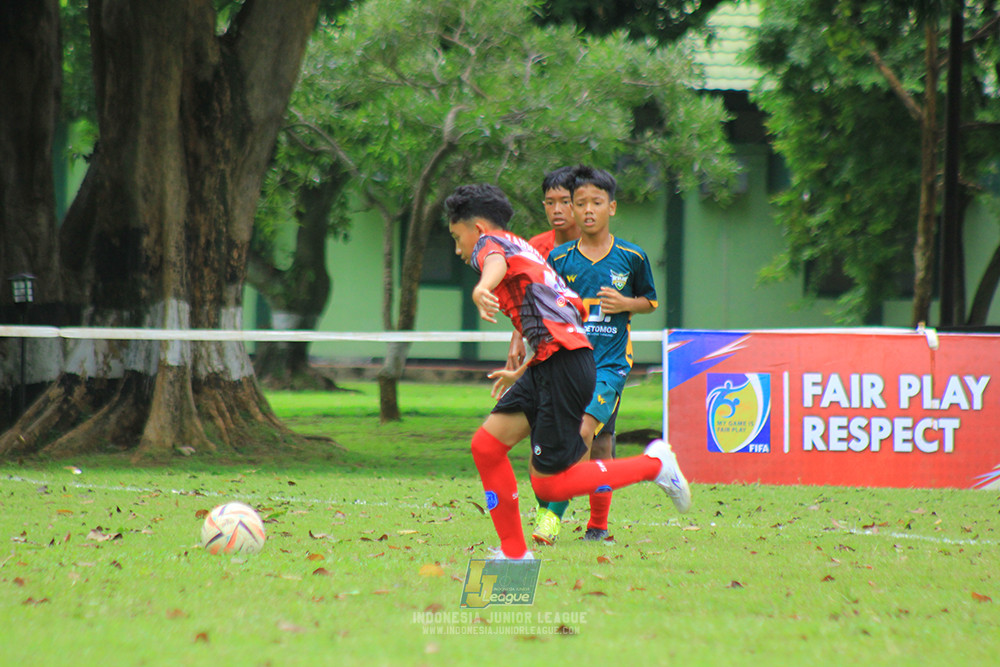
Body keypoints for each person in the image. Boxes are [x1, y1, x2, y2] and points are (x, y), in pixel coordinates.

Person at [445, 182, 691, 560]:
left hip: (564, 366)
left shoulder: (489, 245)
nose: (459, 249)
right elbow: (566, 313)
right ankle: (514, 553)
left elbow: (491, 262)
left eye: (456, 237)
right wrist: (526, 369)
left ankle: (655, 464)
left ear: (476, 229)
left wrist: (483, 287)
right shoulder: (523, 246)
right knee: (486, 446)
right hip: (551, 362)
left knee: (552, 488)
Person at [535, 165, 660, 544]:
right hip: (571, 364)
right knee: (601, 444)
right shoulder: (560, 259)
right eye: (580, 203)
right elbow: (548, 308)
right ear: (571, 209)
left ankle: (550, 521)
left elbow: (650, 301)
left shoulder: (631, 257)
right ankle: (598, 526)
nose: (588, 210)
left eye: (597, 202)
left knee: (584, 432)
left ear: (612, 207)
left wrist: (625, 303)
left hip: (610, 365)